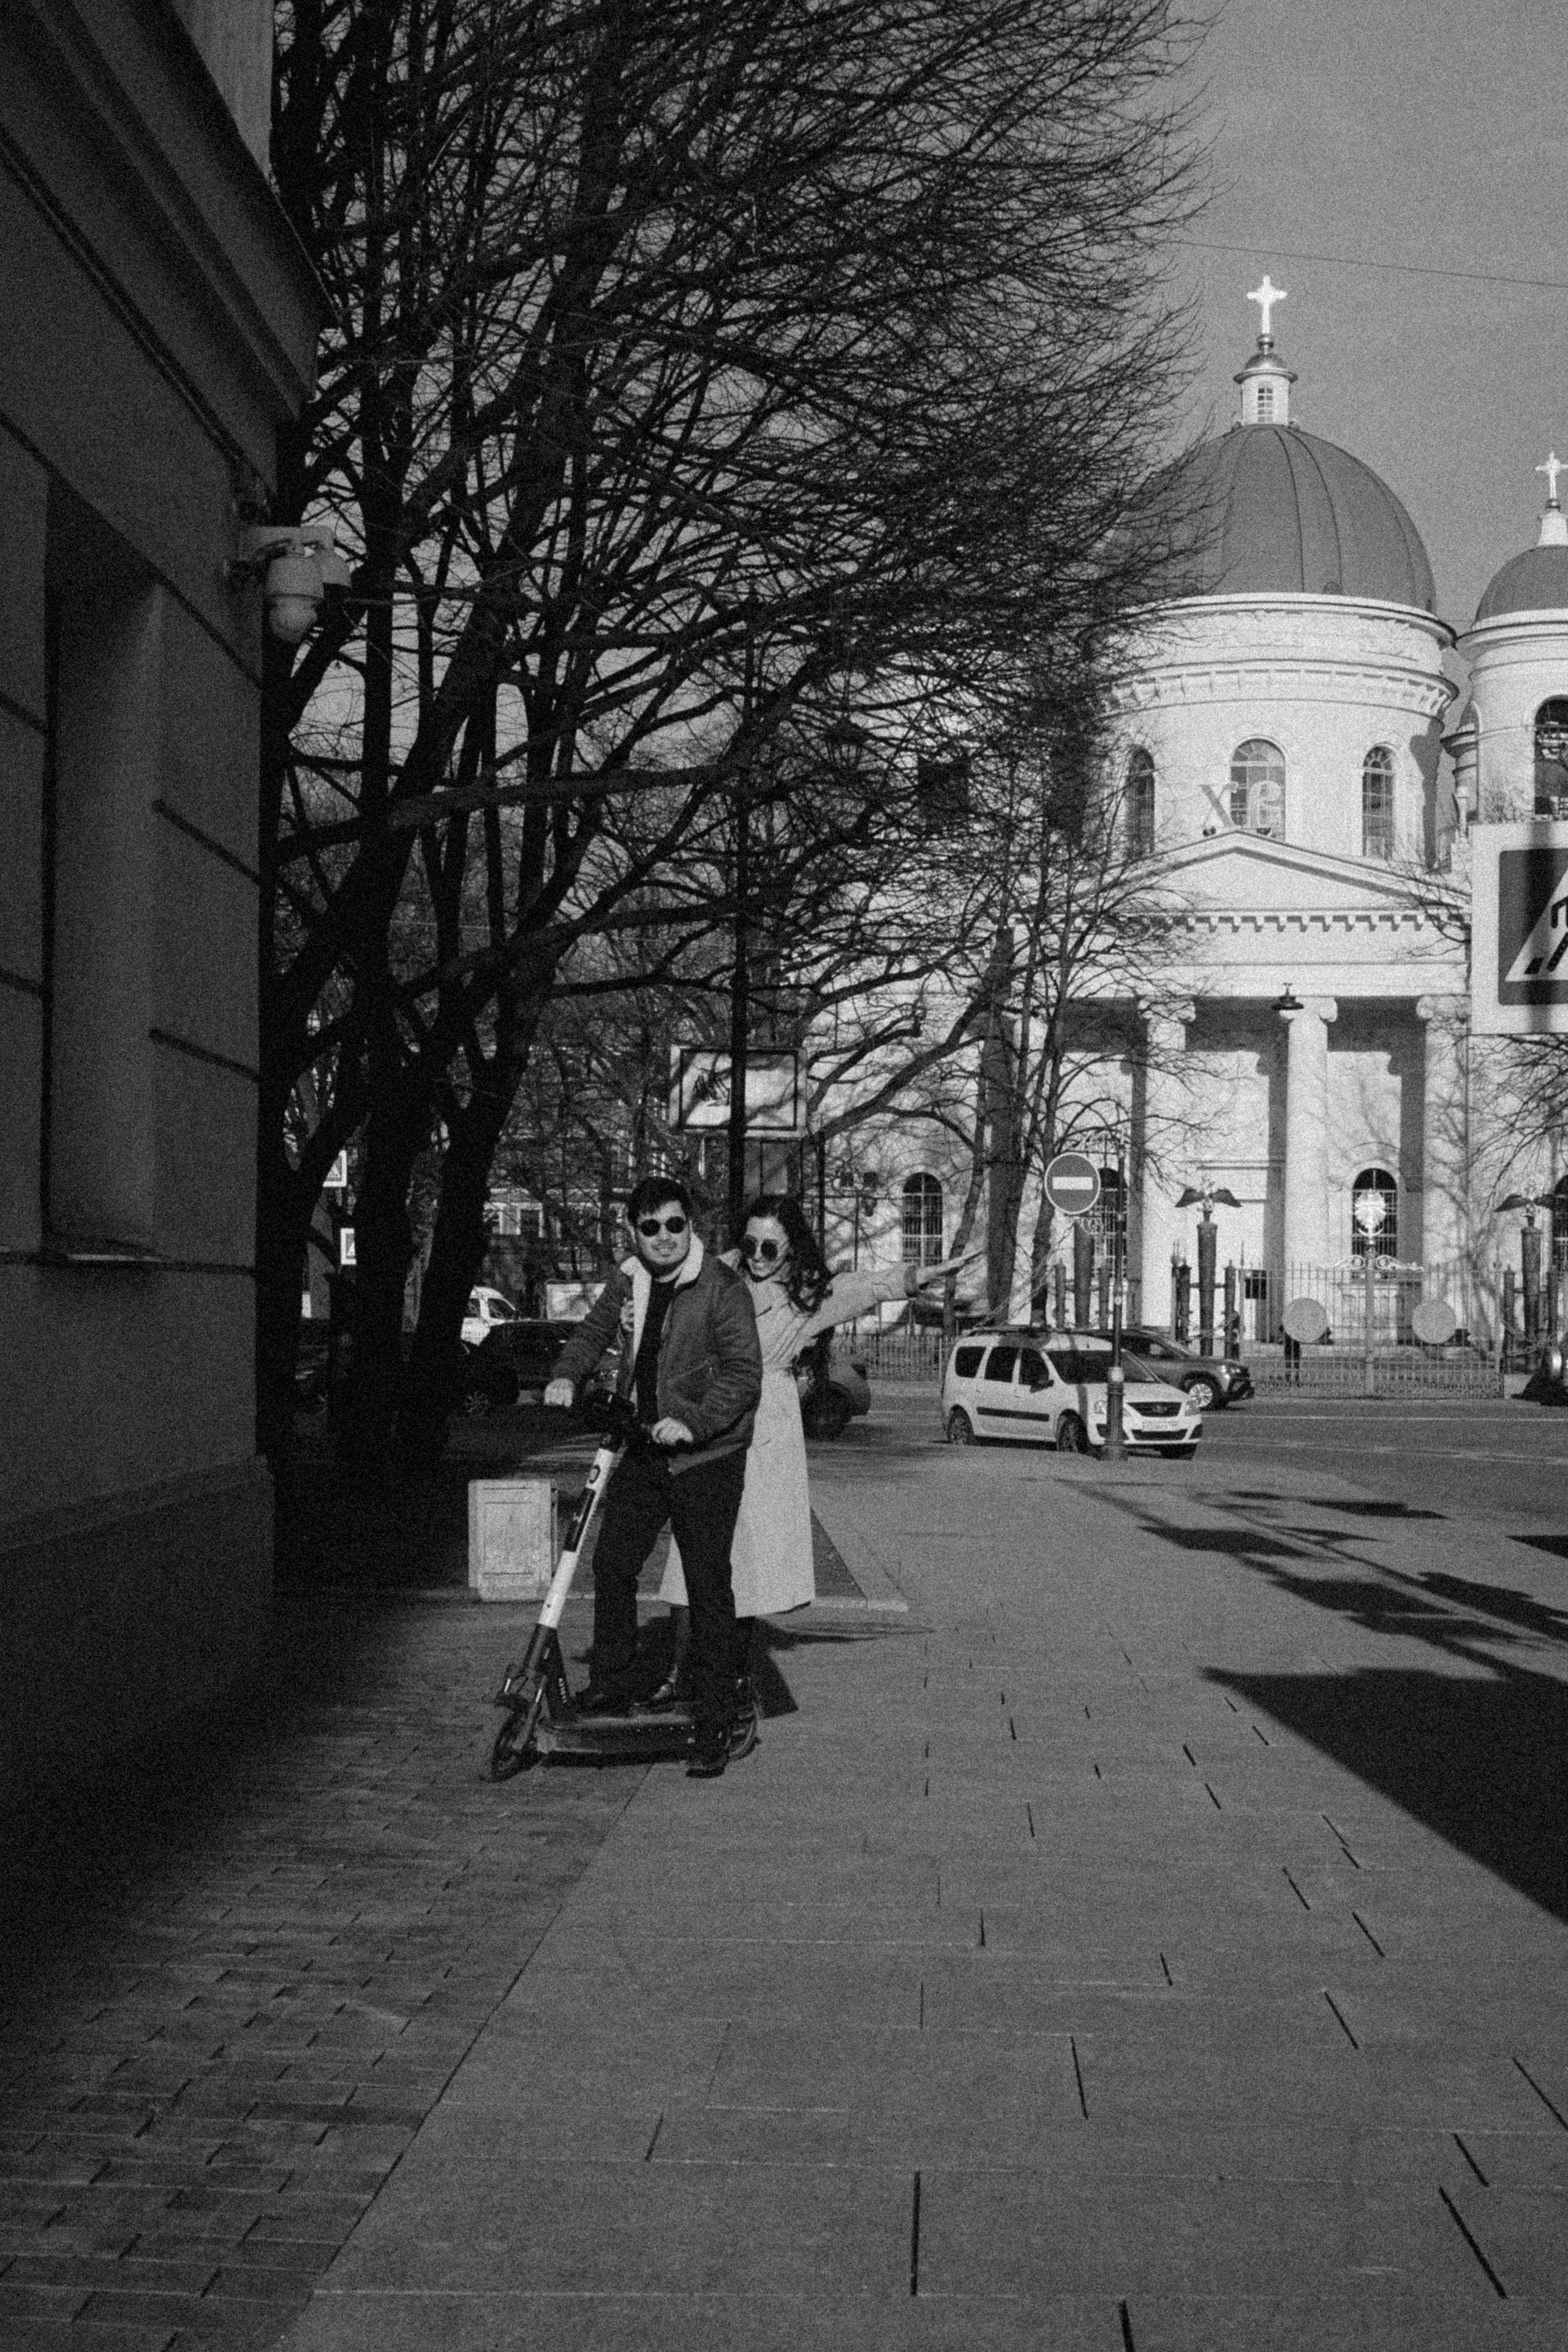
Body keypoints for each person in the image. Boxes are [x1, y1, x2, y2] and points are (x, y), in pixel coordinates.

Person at [650, 1194, 973, 1693]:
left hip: (765, 1429)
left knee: (747, 1556)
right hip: (711, 1417)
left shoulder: (807, 1294)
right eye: (750, 1243)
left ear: (792, 1247)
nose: (758, 1256)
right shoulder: (712, 1277)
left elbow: (865, 1288)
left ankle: (726, 1676)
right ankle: (677, 1669)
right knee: (692, 1546)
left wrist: (921, 1276)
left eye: (770, 1247)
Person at [545, 1175, 762, 1777]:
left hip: (705, 1457)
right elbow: (591, 1333)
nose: (664, 1238)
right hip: (642, 1449)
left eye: (674, 1225)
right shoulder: (628, 1278)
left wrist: (691, 1423)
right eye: (651, 1228)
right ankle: (612, 1685)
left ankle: (714, 1717)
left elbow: (743, 1375)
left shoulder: (720, 1287)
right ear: (632, 1232)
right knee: (612, 1564)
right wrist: (567, 1374)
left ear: (689, 1225)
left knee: (705, 1583)